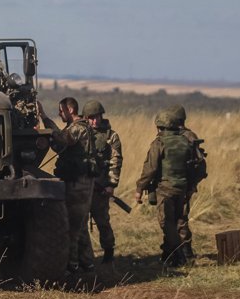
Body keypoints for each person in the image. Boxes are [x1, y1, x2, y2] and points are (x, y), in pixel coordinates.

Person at [37, 97, 97, 274]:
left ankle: (72, 266)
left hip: (79, 183)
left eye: (61, 111)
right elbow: (60, 146)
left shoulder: (79, 128)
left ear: (70, 110)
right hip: (76, 181)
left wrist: (45, 119)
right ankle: (87, 263)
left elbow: (63, 140)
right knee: (80, 225)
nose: (59, 114)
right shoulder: (74, 128)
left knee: (73, 225)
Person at [135, 110, 192, 267]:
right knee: (180, 221)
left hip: (165, 190)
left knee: (167, 223)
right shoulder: (185, 142)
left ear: (159, 127)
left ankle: (179, 255)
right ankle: (177, 256)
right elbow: (195, 166)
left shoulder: (159, 143)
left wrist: (140, 188)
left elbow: (150, 169)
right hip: (182, 188)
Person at [82, 100, 123, 264]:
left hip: (101, 187)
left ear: (101, 116)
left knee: (102, 221)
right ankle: (84, 257)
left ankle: (108, 251)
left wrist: (111, 184)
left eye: (96, 117)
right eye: (91, 118)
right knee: (80, 224)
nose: (94, 121)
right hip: (83, 186)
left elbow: (116, 161)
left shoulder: (111, 136)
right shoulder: (81, 133)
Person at [167, 104, 207, 262]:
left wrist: (191, 186)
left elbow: (198, 164)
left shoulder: (187, 136)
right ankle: (180, 252)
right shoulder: (188, 135)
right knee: (179, 218)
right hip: (183, 184)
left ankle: (185, 252)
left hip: (182, 183)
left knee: (180, 218)